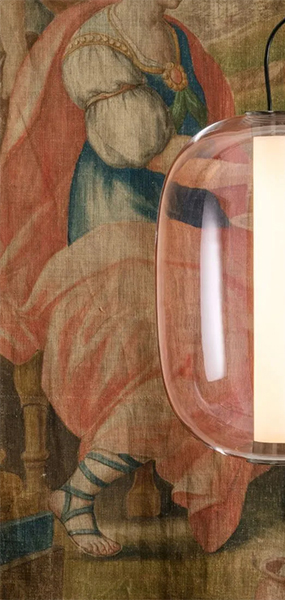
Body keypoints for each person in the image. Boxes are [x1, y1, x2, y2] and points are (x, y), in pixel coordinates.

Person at [0, 0, 259, 559]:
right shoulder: (95, 47)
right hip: (116, 233)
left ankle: (80, 490)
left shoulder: (181, 41)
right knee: (164, 351)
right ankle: (79, 492)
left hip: (181, 220)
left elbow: (210, 145)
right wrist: (252, 175)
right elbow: (155, 153)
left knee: (244, 326)